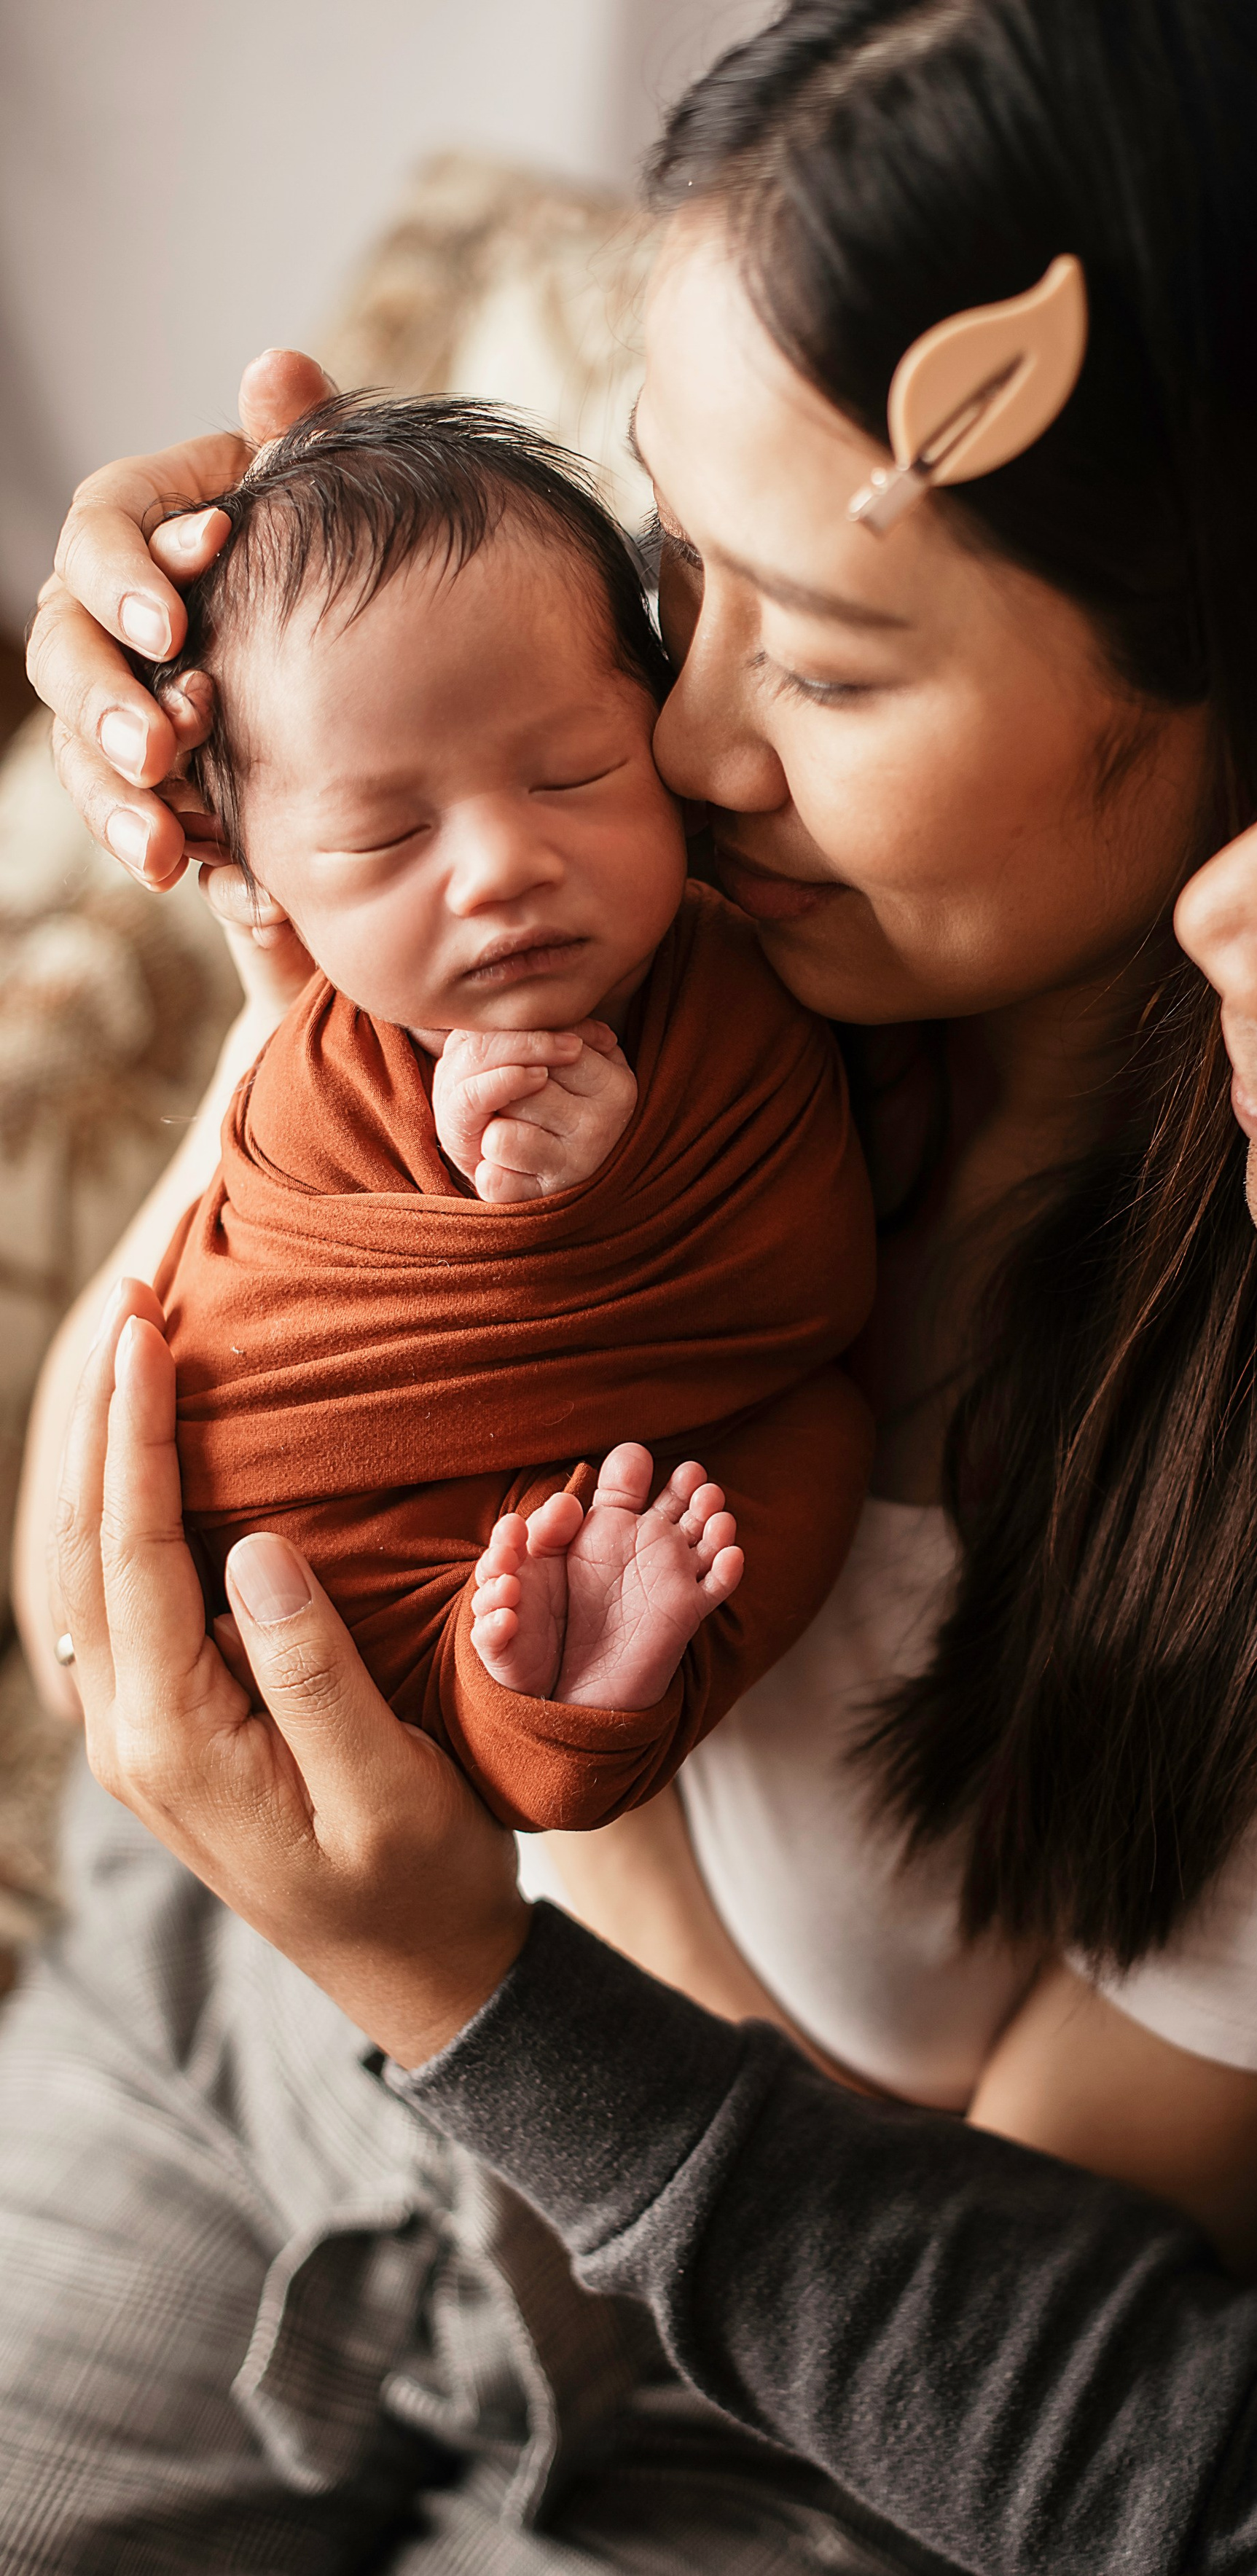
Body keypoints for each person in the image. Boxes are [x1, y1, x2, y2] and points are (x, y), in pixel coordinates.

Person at [52, 191, 1257, 2576]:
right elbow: (135, 1544)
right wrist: (256, 745)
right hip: (267, 2042)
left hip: (851, 2395)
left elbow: (1227, 2454)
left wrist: (498, 1933)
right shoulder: (641, 918)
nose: (667, 737)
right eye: (684, 581)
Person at [151, 390, 875, 1832]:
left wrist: (614, 1190)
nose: (497, 864)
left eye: (572, 775)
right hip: (326, 1545)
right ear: (252, 877)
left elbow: (808, 1268)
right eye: (384, 834)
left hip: (640, 1472)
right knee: (331, 1592)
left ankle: (578, 1691)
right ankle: (523, 1681)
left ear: (656, 723)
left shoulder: (740, 969)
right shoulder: (310, 1063)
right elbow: (242, 1317)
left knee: (805, 1456)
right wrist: (496, 1206)